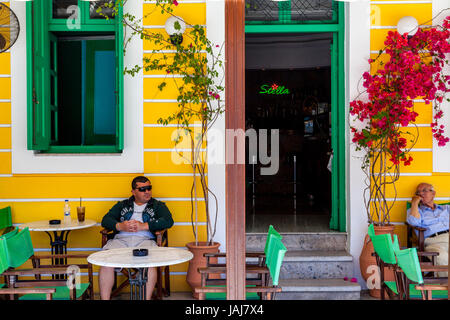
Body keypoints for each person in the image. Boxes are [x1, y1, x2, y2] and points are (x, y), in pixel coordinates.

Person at [99, 176, 174, 300]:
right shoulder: (122, 205)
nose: (147, 191)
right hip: (120, 240)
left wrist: (144, 226)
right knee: (106, 263)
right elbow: (105, 220)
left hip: (145, 240)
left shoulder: (157, 205)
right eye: (142, 189)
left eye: (149, 188)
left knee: (150, 265)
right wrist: (120, 225)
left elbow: (168, 221)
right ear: (133, 192)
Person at [406, 182, 449, 277]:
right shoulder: (416, 211)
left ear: (433, 193)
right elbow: (413, 222)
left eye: (424, 190)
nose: (421, 194)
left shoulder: (446, 208)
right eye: (418, 193)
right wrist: (414, 203)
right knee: (442, 258)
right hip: (433, 241)